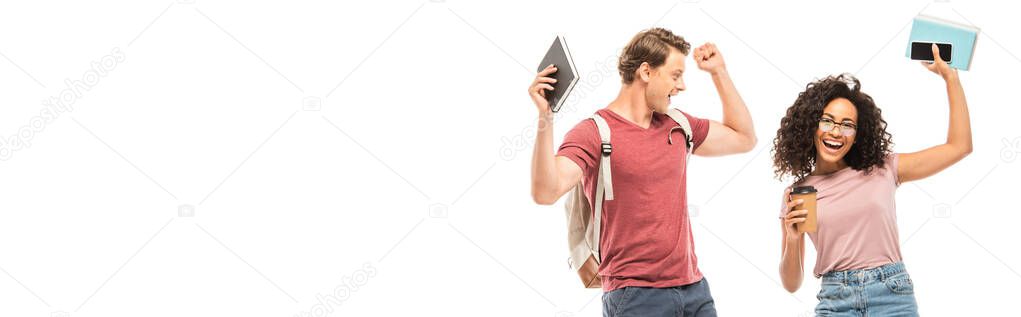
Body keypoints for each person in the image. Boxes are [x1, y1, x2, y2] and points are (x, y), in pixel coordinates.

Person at [529, 27, 756, 316]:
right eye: (675, 75)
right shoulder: (594, 133)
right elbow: (545, 192)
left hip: (694, 288)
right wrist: (545, 117)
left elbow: (744, 138)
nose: (682, 86)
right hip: (635, 296)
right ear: (646, 72)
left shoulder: (678, 124)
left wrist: (719, 72)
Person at [774, 45, 972, 316]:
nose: (836, 132)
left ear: (857, 134)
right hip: (835, 299)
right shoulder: (797, 193)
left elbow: (959, 146)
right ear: (811, 125)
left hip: (892, 296)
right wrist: (793, 238)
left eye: (847, 125)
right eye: (827, 121)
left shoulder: (884, 169)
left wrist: (951, 79)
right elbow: (791, 284)